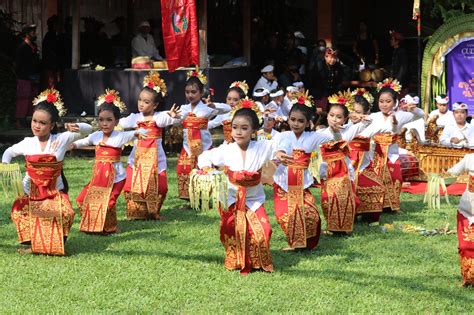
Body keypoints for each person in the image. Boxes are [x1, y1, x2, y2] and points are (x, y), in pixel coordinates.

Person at [2, 89, 92, 255]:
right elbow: (8, 153)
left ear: (52, 125)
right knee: (20, 212)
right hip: (30, 190)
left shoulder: (62, 139)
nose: (37, 125)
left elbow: (88, 130)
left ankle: (54, 243)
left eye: (42, 123)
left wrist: (77, 126)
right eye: (34, 121)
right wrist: (5, 165)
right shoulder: (27, 142)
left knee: (67, 213)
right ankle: (34, 245)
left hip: (54, 191)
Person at [198, 100, 277, 274]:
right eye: (235, 127)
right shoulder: (226, 149)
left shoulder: (262, 147)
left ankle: (256, 261)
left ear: (254, 131)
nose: (238, 132)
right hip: (231, 198)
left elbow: (278, 147)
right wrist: (206, 169)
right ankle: (235, 259)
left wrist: (281, 155)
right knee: (231, 228)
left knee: (265, 230)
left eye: (244, 128)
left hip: (253, 198)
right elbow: (204, 157)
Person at [73, 90, 146, 234]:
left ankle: (108, 228)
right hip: (98, 178)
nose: (104, 123)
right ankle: (93, 223)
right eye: (101, 120)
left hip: (116, 179)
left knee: (108, 203)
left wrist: (138, 133)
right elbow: (82, 142)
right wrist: (71, 145)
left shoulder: (120, 136)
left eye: (109, 120)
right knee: (82, 199)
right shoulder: (96, 136)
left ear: (116, 121)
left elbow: (134, 133)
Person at [356, 79, 424, 222]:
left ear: (395, 102)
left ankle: (390, 206)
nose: (384, 104)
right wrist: (357, 117)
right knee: (375, 179)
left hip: (392, 153)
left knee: (395, 178)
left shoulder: (401, 115)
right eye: (381, 101)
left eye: (388, 101)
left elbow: (421, 114)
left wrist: (413, 109)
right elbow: (362, 124)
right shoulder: (374, 116)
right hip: (376, 153)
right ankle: (376, 205)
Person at [272, 94, 333, 250]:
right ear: (288, 119)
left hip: (302, 186)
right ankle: (294, 242)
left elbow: (334, 136)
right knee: (284, 215)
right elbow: (280, 147)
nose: (296, 124)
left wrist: (337, 128)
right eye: (293, 119)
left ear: (307, 123)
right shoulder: (282, 136)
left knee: (311, 215)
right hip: (283, 183)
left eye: (300, 121)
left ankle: (305, 244)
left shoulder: (312, 137)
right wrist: (279, 153)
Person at [119, 71, 180, 220]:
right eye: (140, 99)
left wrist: (171, 116)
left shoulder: (159, 118)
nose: (141, 104)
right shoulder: (134, 118)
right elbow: (120, 123)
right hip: (137, 159)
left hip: (156, 160)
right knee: (128, 185)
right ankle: (136, 212)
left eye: (146, 102)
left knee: (162, 186)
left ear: (155, 105)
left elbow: (169, 119)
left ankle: (153, 212)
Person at [176, 69, 231, 199]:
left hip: (204, 147)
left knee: (205, 170)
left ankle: (205, 197)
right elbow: (176, 119)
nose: (190, 95)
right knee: (184, 170)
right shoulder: (183, 109)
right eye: (187, 92)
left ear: (201, 93)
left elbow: (227, 108)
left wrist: (213, 105)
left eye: (194, 92)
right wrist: (175, 117)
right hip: (187, 147)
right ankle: (189, 198)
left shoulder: (207, 108)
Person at [446, 154, 474, 286]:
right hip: (467, 209)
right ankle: (468, 278)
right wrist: (439, 178)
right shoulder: (470, 158)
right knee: (466, 245)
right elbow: (452, 173)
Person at [15, 24, 40, 127]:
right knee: (23, 99)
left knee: (32, 100)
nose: (34, 34)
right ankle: (19, 121)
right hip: (24, 77)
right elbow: (18, 64)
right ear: (27, 34)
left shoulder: (33, 47)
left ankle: (30, 121)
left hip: (34, 76)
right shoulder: (22, 48)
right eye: (32, 32)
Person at [313, 48, 344, 113]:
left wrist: (337, 94)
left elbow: (339, 81)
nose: (333, 60)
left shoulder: (338, 67)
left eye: (335, 58)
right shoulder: (319, 66)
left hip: (332, 94)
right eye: (331, 57)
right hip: (320, 95)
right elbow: (314, 83)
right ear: (325, 57)